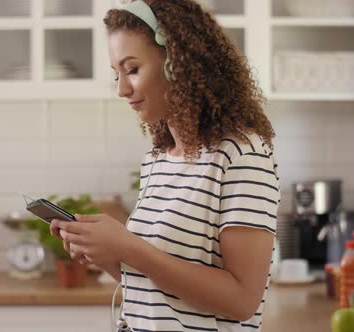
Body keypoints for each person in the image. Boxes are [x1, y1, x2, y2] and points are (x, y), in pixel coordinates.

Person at [50, 0, 280, 331]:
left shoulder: (242, 156)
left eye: (132, 69)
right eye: (116, 74)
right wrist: (109, 256)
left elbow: (242, 300)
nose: (121, 89)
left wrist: (129, 246)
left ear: (177, 64)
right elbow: (159, 289)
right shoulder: (158, 161)